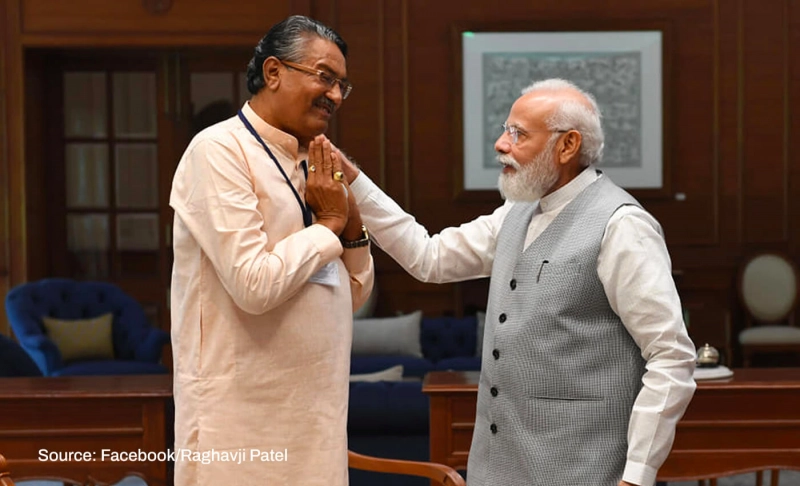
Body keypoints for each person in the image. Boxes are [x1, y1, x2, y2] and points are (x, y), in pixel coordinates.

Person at [339, 78, 696, 486]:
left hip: (584, 472)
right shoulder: (516, 211)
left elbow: (671, 355)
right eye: (505, 129)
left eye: (517, 134)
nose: (500, 144)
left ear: (567, 146)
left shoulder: (622, 226)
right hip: (497, 469)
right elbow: (429, 259)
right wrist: (353, 182)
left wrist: (637, 476)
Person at [169, 15, 374, 485]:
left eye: (343, 85)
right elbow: (254, 286)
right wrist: (329, 225)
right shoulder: (218, 150)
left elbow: (348, 299)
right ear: (274, 72)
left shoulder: (313, 159)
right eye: (325, 77)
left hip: (316, 416)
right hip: (241, 422)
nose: (337, 96)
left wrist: (354, 234)